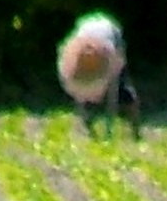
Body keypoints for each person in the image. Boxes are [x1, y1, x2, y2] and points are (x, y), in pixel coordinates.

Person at [57, 12, 142, 140]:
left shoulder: (110, 48)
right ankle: (91, 133)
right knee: (81, 95)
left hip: (112, 38)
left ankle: (135, 133)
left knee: (123, 89)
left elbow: (117, 68)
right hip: (88, 38)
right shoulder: (79, 51)